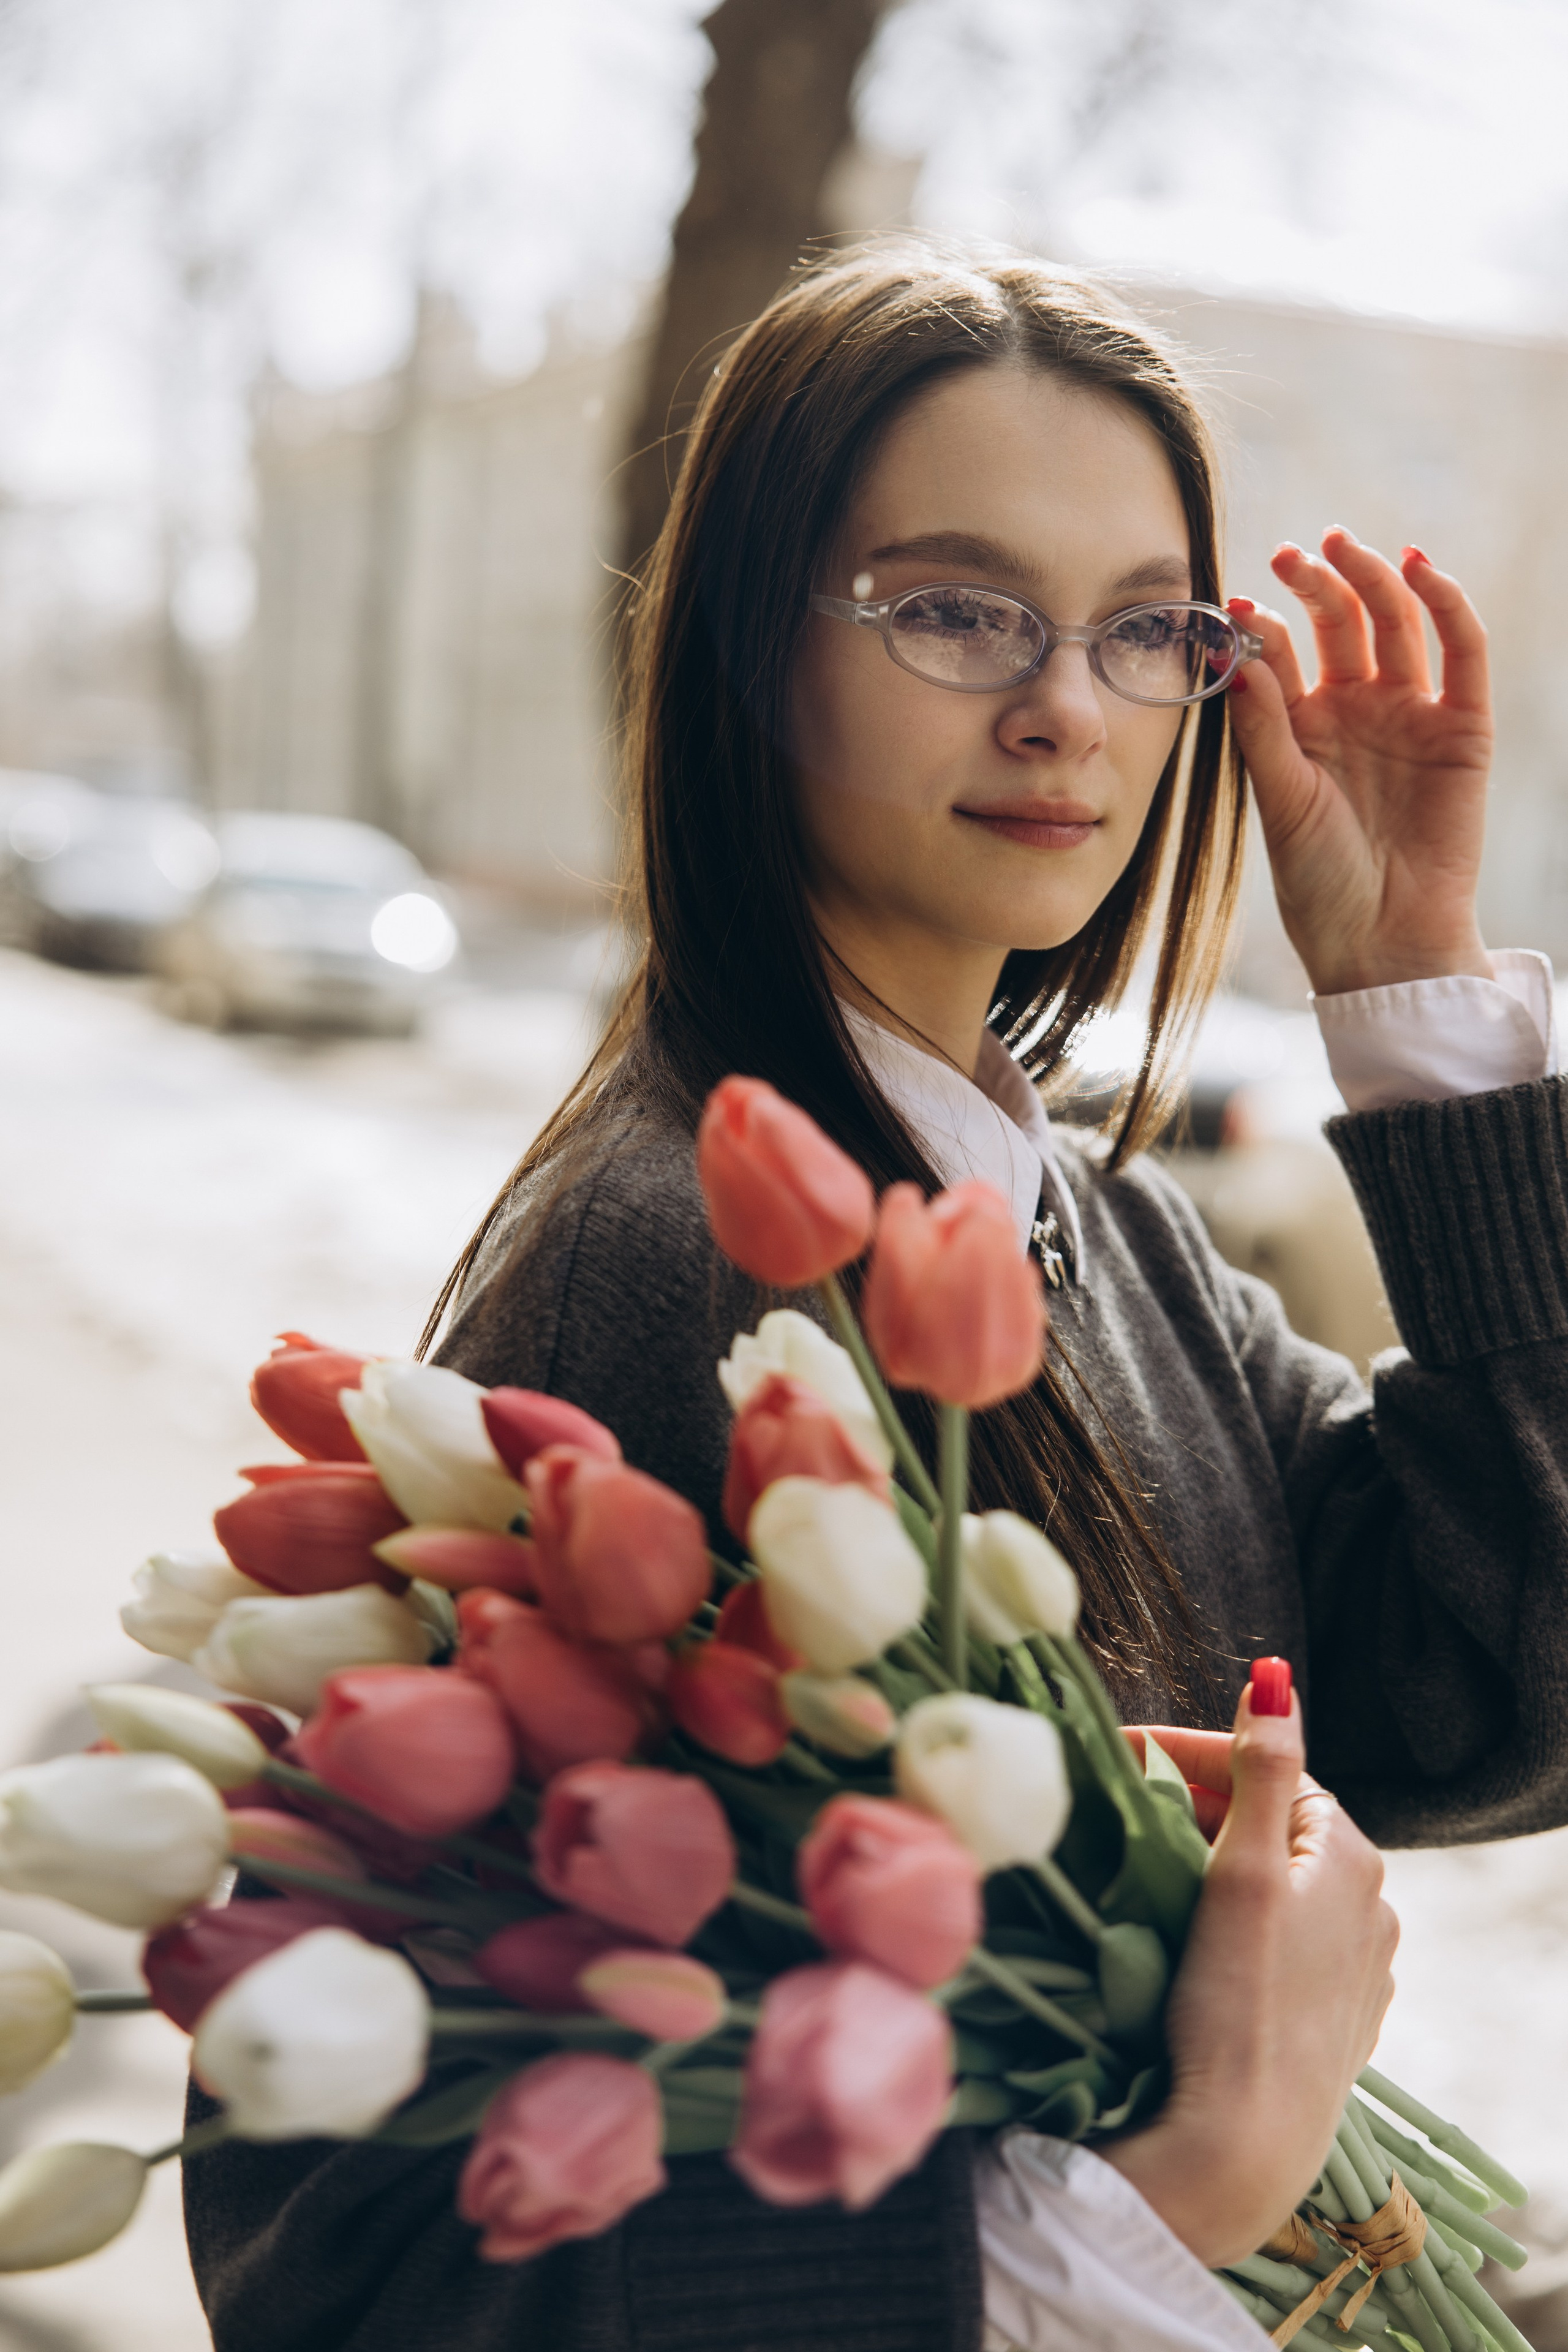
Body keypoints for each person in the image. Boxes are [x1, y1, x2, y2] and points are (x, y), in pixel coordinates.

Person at [185, 242, 1567, 2350]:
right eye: (955, 609)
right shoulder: (662, 1270)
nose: (1066, 706)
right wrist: (1133, 2212)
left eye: (1147, 631)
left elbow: (1504, 1687)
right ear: (752, 649)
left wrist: (1410, 996)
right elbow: (340, 2258)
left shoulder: (1098, 1233)